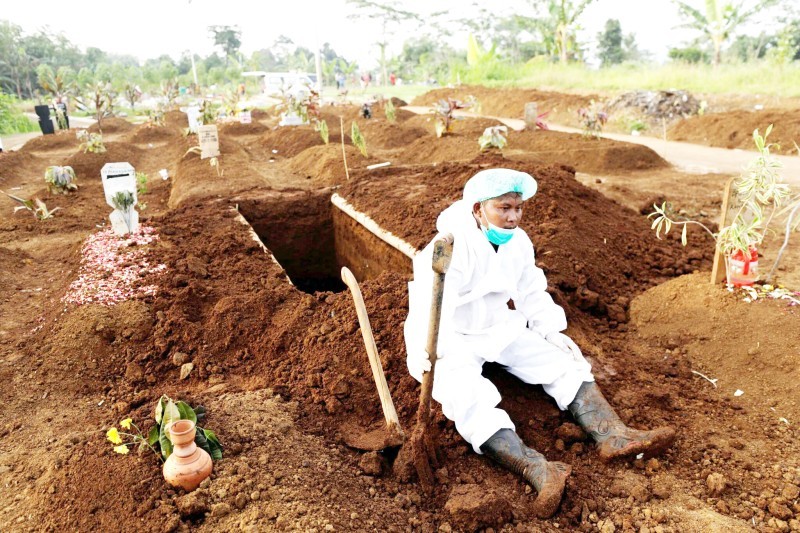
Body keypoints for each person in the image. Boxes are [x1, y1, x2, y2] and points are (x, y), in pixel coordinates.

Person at [403, 168, 676, 518]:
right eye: (504, 208)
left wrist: (550, 331)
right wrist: (429, 351)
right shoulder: (446, 247)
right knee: (466, 396)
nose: (513, 216)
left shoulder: (518, 242)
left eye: (518, 208)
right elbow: (430, 306)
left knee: (562, 362)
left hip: (497, 324)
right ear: (477, 208)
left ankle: (612, 434)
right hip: (450, 335)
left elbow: (531, 289)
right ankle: (537, 468)